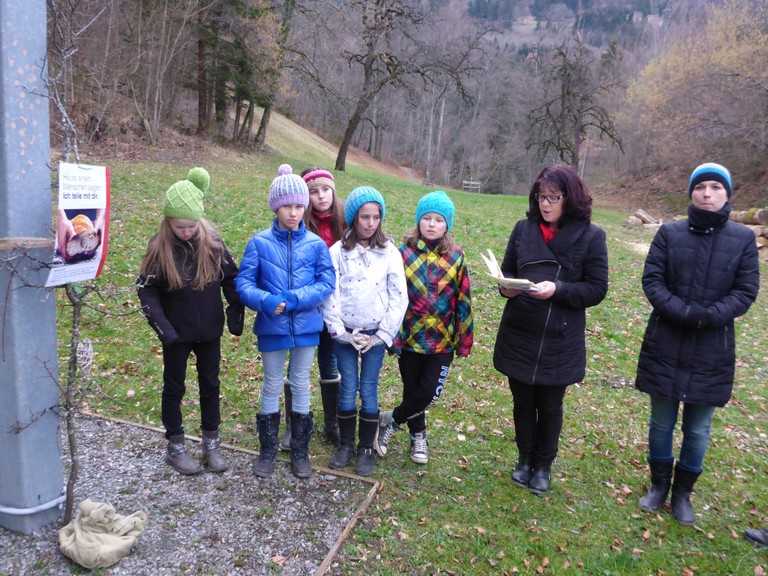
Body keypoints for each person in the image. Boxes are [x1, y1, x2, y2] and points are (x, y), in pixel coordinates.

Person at [636, 163, 759, 525]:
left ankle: (683, 493)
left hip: (712, 348)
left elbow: (745, 290)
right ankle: (659, 485)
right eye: (701, 187)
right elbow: (653, 280)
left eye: (716, 188)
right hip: (666, 341)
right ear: (691, 192)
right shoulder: (669, 233)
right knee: (661, 422)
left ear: (727, 194)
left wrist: (710, 316)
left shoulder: (742, 239)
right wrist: (684, 312)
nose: (707, 194)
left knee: (698, 428)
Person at [492, 165, 608, 495]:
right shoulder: (523, 229)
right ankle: (524, 459)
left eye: (553, 198)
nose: (545, 204)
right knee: (522, 401)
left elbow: (597, 288)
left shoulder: (591, 236)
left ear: (570, 198)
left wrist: (559, 289)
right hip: (521, 330)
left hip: (560, 336)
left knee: (550, 405)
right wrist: (505, 288)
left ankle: (543, 465)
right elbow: (508, 271)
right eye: (541, 197)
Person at [137, 167, 244, 475]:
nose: (186, 232)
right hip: (176, 334)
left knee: (211, 385)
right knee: (174, 387)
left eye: (191, 226)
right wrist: (164, 329)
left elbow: (232, 278)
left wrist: (236, 308)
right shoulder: (159, 248)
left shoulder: (213, 243)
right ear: (168, 222)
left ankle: (212, 444)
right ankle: (176, 447)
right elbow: (146, 290)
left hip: (209, 331)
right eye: (179, 226)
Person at [236, 164, 335, 479]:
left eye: (298, 206)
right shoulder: (259, 243)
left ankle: (300, 450)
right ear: (275, 207)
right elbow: (243, 284)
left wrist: (295, 299)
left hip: (306, 327)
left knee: (302, 382)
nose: (293, 213)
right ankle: (267, 449)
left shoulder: (316, 245)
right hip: (272, 327)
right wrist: (265, 301)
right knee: (271, 383)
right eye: (287, 206)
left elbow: (326, 282)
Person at [376, 190, 474, 465]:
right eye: (427, 218)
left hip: (442, 341)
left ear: (447, 224)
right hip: (410, 337)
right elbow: (392, 296)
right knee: (412, 389)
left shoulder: (456, 257)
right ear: (419, 220)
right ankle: (418, 436)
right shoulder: (403, 254)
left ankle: (391, 419)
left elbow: (463, 299)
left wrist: (464, 338)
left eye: (439, 220)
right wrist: (392, 335)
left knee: (429, 393)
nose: (432, 224)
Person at [322, 186, 408, 476]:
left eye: (376, 217)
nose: (370, 223)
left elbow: (398, 296)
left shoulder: (389, 252)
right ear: (353, 218)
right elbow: (330, 294)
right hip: (346, 333)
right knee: (348, 385)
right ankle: (346, 444)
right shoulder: (338, 252)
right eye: (364, 217)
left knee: (368, 388)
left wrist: (381, 335)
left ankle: (365, 448)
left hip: (375, 334)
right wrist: (340, 332)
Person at [278, 167, 346, 451]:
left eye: (325, 190)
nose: (321, 197)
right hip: (304, 305)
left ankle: (333, 421)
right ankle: (294, 424)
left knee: (330, 361)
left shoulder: (345, 221)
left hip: (333, 304)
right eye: (314, 192)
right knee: (298, 363)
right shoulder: (297, 223)